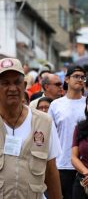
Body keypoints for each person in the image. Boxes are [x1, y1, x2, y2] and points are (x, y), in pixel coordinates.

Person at [0, 57, 62, 198]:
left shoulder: (44, 122)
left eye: (17, 82)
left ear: (25, 85)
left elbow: (51, 171)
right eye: (5, 83)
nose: (12, 88)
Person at [48, 65, 87, 199]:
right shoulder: (55, 105)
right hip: (61, 163)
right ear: (67, 79)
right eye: (76, 76)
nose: (80, 80)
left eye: (83, 77)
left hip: (85, 165)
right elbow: (49, 135)